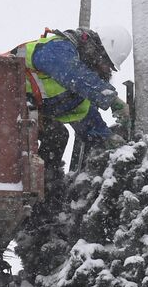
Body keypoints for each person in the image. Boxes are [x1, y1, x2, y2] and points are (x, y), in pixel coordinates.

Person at [12, 25, 132, 194]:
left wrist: (109, 139)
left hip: (23, 112)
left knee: (58, 135)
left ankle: (43, 196)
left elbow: (88, 119)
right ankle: (14, 182)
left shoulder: (76, 93)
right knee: (41, 132)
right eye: (106, 64)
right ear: (97, 51)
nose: (106, 70)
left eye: (110, 67)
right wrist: (111, 98)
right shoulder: (59, 47)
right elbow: (71, 72)